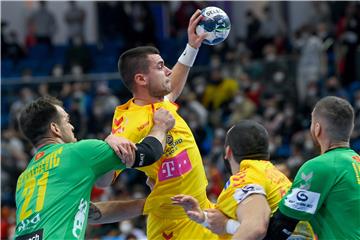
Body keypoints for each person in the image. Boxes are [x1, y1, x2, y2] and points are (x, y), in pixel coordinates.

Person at [99, 9, 220, 239]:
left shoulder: (158, 102)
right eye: (160, 66)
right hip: (173, 226)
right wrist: (108, 145)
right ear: (141, 79)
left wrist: (192, 47)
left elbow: (172, 87)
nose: (167, 71)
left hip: (202, 210)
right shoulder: (131, 124)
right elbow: (104, 181)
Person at [14, 96, 175, 239]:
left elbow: (89, 213)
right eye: (67, 121)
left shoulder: (24, 178)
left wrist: (148, 204)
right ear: (55, 129)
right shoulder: (78, 152)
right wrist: (160, 126)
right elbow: (148, 153)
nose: (72, 127)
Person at [172, 120, 314, 239]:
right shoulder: (275, 175)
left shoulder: (245, 178)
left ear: (228, 152)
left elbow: (256, 227)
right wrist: (204, 218)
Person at [266, 96, 360, 240]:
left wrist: (230, 224)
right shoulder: (354, 162)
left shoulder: (320, 166)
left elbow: (281, 226)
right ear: (350, 128)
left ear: (317, 128)